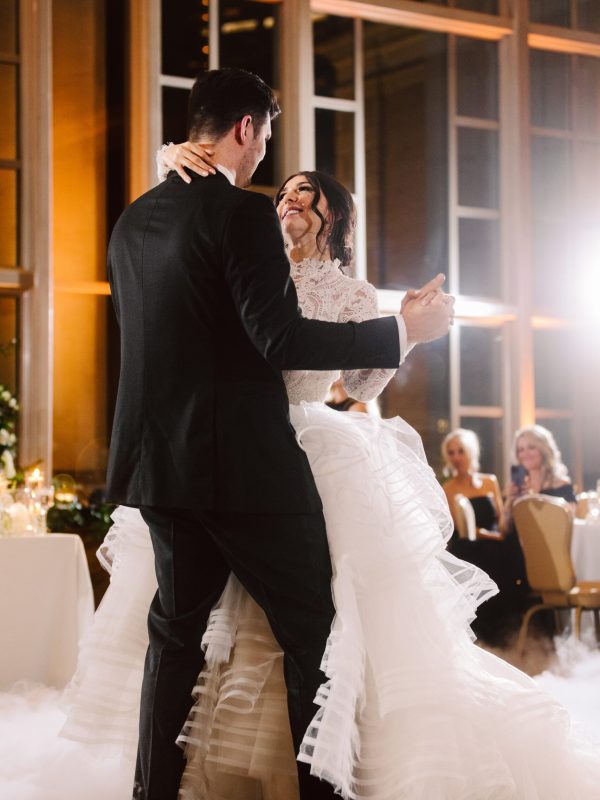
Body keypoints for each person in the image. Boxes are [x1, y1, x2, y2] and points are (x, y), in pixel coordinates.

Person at [62, 138, 600, 797]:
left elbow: (365, 386)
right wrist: (167, 155)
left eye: (305, 197)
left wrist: (398, 325)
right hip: (218, 447)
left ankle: (319, 768)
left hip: (304, 446)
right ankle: (198, 769)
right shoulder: (247, 258)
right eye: (283, 193)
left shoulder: (349, 292)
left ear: (335, 219)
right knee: (196, 625)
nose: (288, 203)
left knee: (314, 618)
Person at [98, 67, 454, 800]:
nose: (270, 166)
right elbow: (282, 340)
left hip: (155, 462)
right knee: (313, 633)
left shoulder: (133, 218)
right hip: (240, 465)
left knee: (174, 638)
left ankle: (151, 792)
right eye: (264, 139)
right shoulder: (241, 215)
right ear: (246, 130)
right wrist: (402, 329)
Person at [441, 428, 529, 644]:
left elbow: (501, 522)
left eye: (460, 451)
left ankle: (517, 622)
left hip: (495, 542)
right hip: (469, 545)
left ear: (471, 452)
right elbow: (460, 530)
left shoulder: (490, 481)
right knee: (474, 550)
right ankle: (488, 632)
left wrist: (510, 502)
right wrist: (487, 535)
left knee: (513, 545)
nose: (456, 457)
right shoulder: (448, 488)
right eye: (451, 453)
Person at [504, 424, 577, 530]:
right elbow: (503, 530)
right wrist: (509, 502)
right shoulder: (517, 486)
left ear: (544, 450)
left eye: (531, 447)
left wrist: (535, 497)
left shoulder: (561, 485)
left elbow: (571, 524)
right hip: (515, 543)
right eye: (521, 449)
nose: (525, 454)